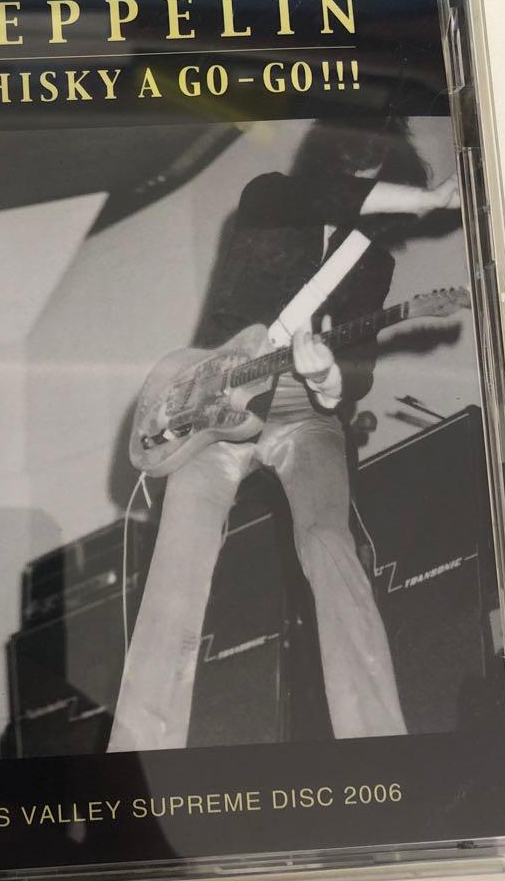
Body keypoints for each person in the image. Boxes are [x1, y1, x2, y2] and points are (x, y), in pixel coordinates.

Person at [108, 116, 460, 752]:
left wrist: (328, 380)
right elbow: (319, 197)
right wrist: (428, 200)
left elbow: (357, 373)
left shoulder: (372, 262)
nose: (361, 183)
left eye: (376, 172)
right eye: (355, 169)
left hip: (305, 412)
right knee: (179, 561)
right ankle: (139, 754)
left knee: (330, 546)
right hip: (217, 402)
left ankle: (379, 744)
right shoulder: (269, 196)